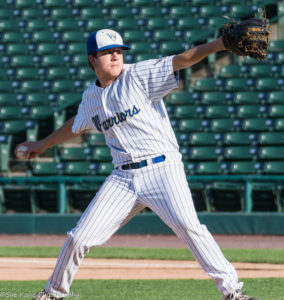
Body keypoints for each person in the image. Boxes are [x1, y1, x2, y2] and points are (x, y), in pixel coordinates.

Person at [15, 29, 258, 300]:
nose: (115, 55)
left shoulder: (138, 75)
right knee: (79, 238)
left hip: (162, 169)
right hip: (123, 178)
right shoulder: (91, 98)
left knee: (191, 228)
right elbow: (77, 124)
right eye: (108, 52)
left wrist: (220, 44)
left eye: (118, 50)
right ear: (92, 60)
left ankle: (232, 292)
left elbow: (183, 59)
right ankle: (53, 293)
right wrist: (42, 144)